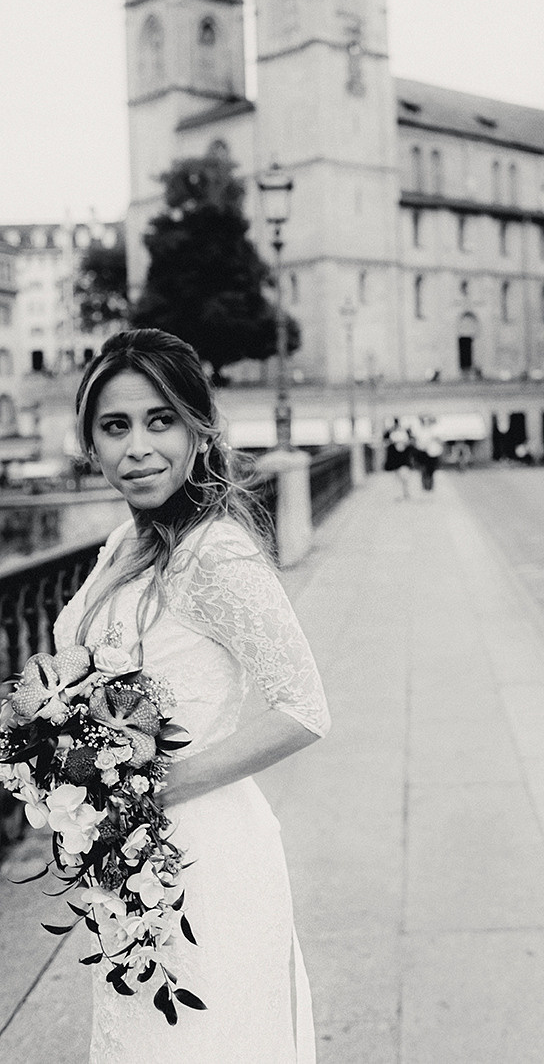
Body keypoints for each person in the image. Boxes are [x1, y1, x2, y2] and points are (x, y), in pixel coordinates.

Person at [53, 329, 330, 1063]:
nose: (138, 446)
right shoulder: (124, 542)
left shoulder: (217, 552)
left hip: (204, 854)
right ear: (90, 442)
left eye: (160, 419)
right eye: (115, 426)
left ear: (199, 429)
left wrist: (148, 788)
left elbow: (305, 708)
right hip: (130, 856)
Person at [382, 417, 414, 498]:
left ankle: (405, 492)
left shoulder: (405, 431)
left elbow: (411, 442)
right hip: (395, 458)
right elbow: (385, 442)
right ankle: (400, 493)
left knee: (404, 476)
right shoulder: (390, 432)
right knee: (397, 476)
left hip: (403, 458)